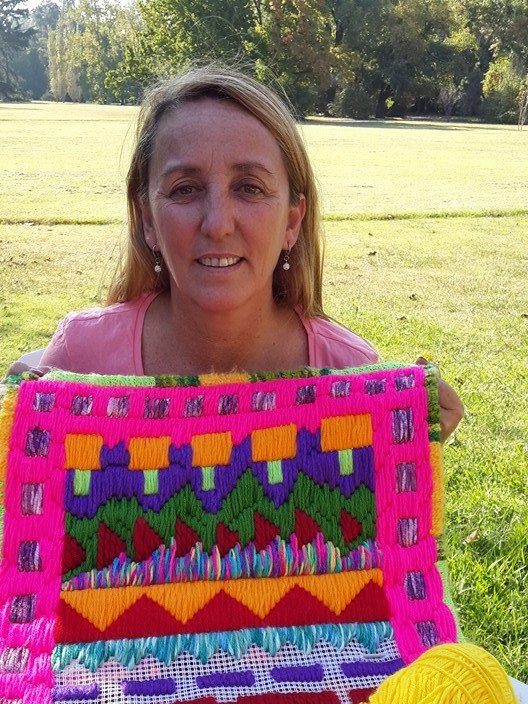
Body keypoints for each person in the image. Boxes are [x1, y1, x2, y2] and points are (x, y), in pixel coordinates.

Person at [35, 65, 463, 439]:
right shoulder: (78, 359)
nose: (217, 224)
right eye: (185, 189)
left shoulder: (348, 374)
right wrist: (17, 428)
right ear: (148, 220)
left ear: (292, 221)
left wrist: (401, 442)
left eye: (249, 188)